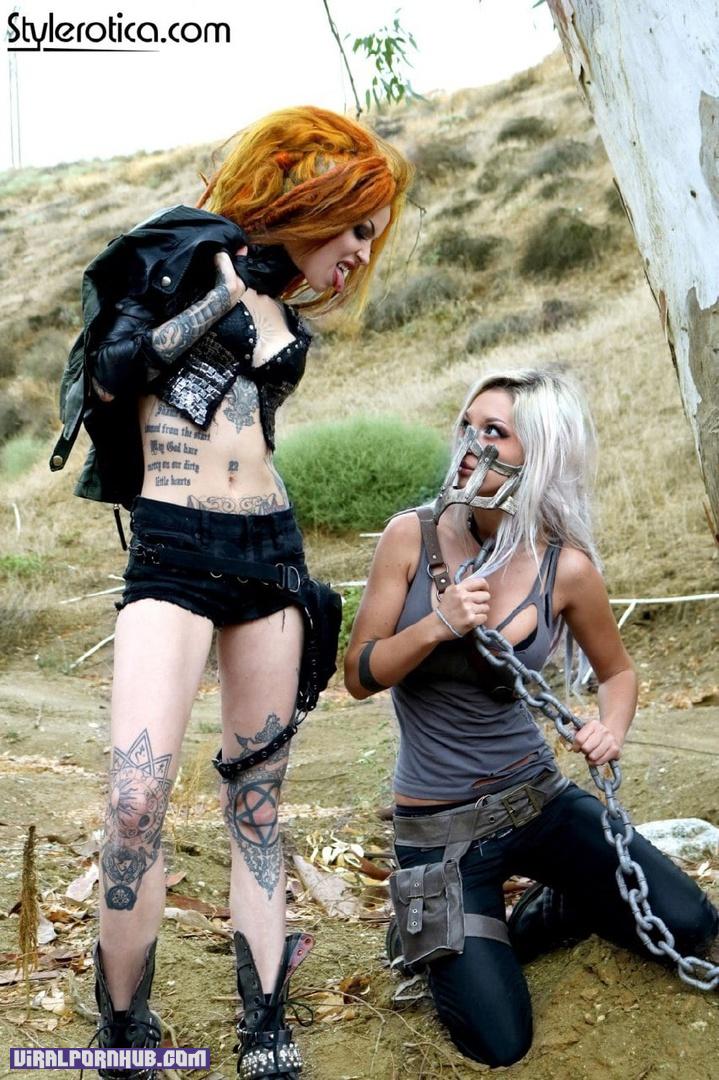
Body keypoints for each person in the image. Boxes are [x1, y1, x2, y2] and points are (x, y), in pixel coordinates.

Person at [52, 106, 412, 1080]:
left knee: (257, 807)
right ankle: (123, 1030)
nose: (358, 254)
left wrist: (248, 300)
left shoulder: (287, 314)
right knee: (135, 799)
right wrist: (217, 296)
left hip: (268, 554)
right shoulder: (178, 256)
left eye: (370, 239)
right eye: (355, 227)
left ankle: (264, 1024)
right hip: (172, 548)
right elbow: (110, 377)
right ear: (315, 199)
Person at [344, 367, 718, 1068]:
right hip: (441, 830)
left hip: (538, 799)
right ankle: (434, 930)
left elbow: (618, 673)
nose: (470, 444)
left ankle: (539, 906)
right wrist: (436, 625)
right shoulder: (410, 537)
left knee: (690, 923)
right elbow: (358, 674)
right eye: (467, 426)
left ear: (538, 453)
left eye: (495, 431)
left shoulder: (563, 568)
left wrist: (610, 728)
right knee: (498, 1042)